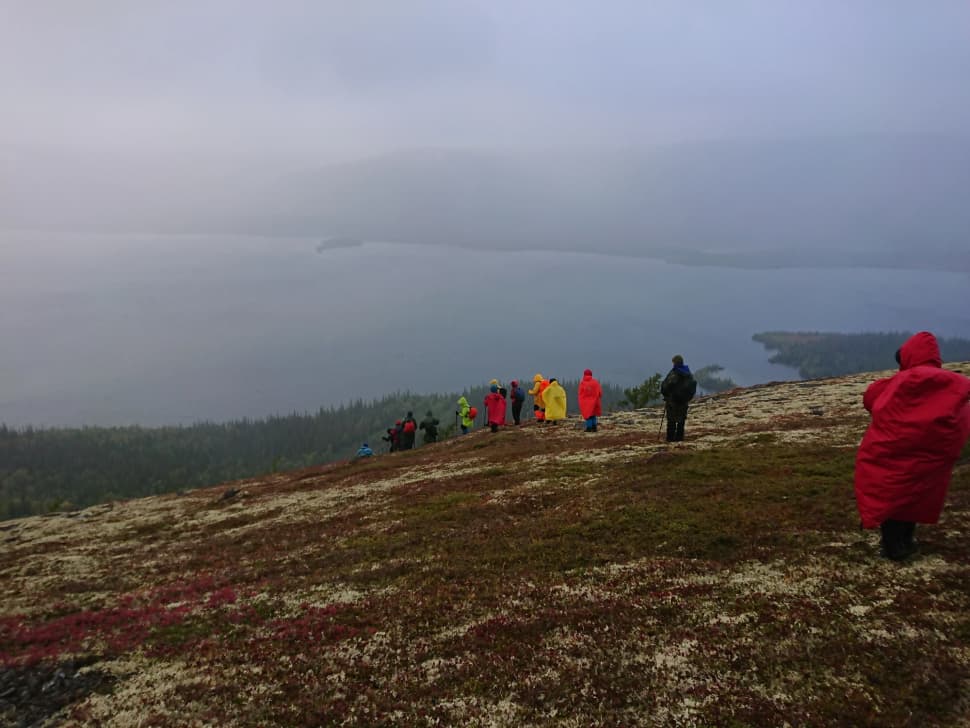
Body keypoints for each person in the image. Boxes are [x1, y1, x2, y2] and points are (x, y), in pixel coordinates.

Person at [855, 331, 970, 561]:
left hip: (893, 457)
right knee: (916, 498)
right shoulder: (954, 383)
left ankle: (892, 547)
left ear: (907, 356)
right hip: (928, 461)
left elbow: (870, 398)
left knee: (891, 498)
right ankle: (906, 541)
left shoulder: (896, 383)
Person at [661, 355, 697, 442]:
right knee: (681, 421)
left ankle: (670, 439)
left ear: (675, 363)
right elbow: (692, 387)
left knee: (671, 421)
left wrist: (666, 395)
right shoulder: (688, 374)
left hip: (673, 401)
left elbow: (665, 387)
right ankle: (679, 439)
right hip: (684, 402)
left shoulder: (674, 373)